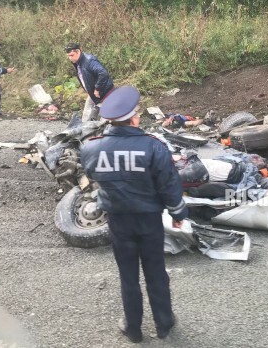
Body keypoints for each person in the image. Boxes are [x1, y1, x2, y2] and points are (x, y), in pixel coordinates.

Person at [81, 86, 187, 343]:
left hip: (118, 220)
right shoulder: (153, 146)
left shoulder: (91, 148)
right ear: (133, 118)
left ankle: (133, 328)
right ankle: (163, 323)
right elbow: (169, 184)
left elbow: (93, 176)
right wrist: (177, 212)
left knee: (128, 275)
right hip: (149, 219)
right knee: (156, 272)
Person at [65, 42, 114, 121]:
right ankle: (84, 130)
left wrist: (97, 89)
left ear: (78, 51)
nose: (70, 58)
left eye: (72, 55)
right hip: (92, 93)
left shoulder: (89, 61)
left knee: (106, 118)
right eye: (68, 56)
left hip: (104, 92)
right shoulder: (78, 63)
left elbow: (103, 73)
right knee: (86, 115)